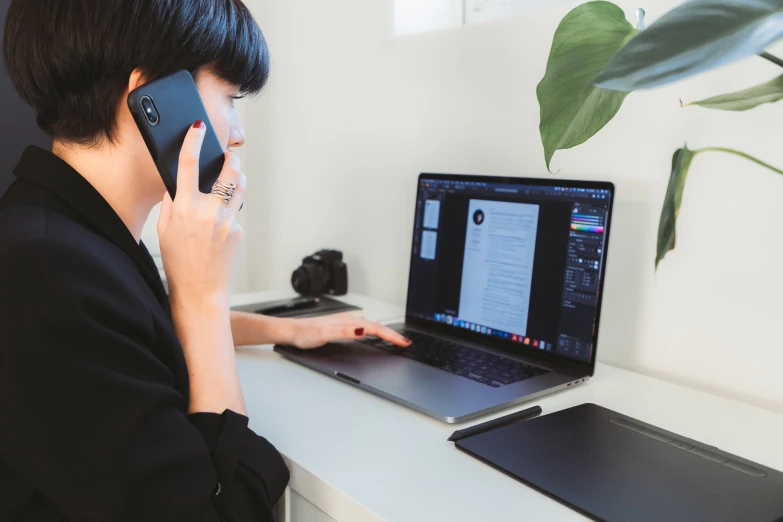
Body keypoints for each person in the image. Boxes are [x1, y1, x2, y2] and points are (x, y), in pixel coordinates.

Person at [0, 1, 411, 520]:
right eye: (231, 99)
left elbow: (129, 333)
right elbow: (222, 509)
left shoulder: (66, 232)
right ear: (152, 97)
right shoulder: (44, 275)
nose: (238, 133)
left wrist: (286, 331)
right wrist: (204, 295)